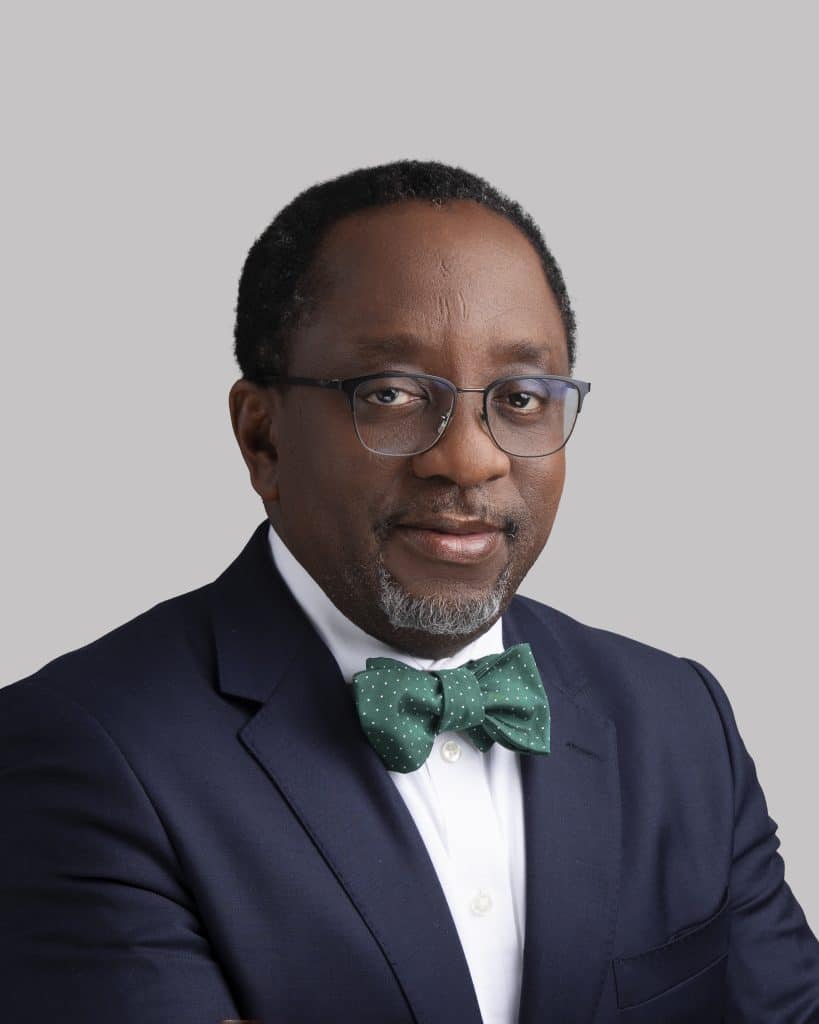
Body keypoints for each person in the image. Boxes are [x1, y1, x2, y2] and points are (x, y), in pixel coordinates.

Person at [1, 160, 817, 1024]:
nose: (469, 459)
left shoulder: (678, 719)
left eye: (521, 397)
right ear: (262, 435)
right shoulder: (81, 754)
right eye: (389, 394)